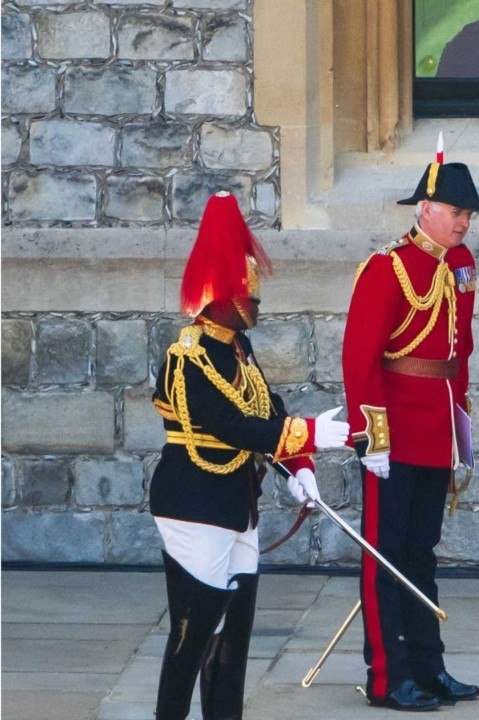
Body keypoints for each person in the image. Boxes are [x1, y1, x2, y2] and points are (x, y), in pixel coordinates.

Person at [150, 192, 350, 720]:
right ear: (225, 298)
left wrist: (298, 466)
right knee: (193, 635)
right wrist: (308, 435)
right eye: (250, 298)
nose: (257, 307)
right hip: (194, 501)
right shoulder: (187, 358)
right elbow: (230, 424)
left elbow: (266, 409)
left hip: (237, 500)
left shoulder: (239, 348)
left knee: (232, 638)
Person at [343, 153, 479, 710]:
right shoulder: (388, 269)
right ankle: (387, 676)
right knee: (384, 555)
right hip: (394, 433)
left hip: (435, 431)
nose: (464, 223)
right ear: (426, 208)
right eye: (456, 211)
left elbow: (461, 353)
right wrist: (371, 434)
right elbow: (360, 360)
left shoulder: (460, 265)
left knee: (421, 553)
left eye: (469, 215)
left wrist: (460, 427)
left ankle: (428, 668)